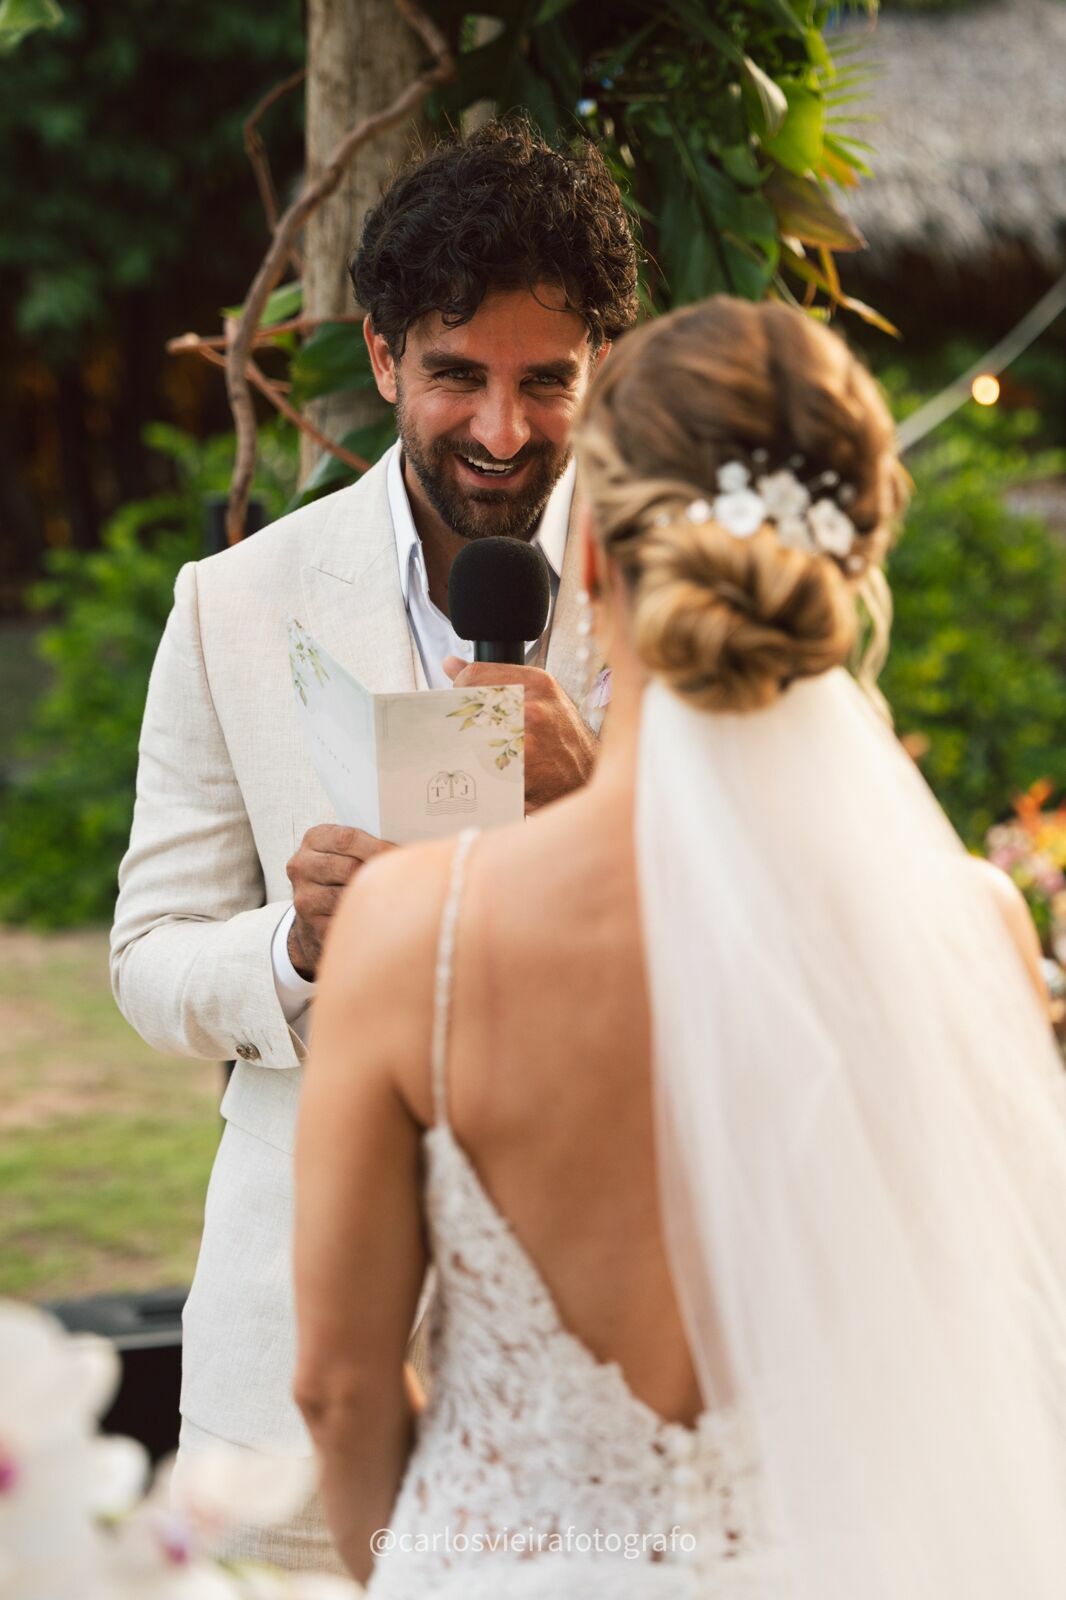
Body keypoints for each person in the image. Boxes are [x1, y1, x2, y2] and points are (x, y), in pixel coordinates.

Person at [294, 296, 1066, 1598]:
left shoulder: (413, 931)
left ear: (584, 546)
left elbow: (339, 1386)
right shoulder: (970, 927)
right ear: (852, 561)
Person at [110, 118, 638, 1570]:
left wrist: (599, 801)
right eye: (457, 376)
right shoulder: (233, 603)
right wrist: (292, 946)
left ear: (602, 364)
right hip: (294, 1356)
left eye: (547, 384)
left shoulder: (688, 594)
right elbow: (147, 961)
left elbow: (792, 945)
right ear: (384, 352)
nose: (501, 431)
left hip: (611, 1344)